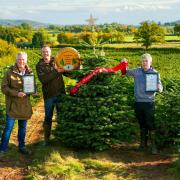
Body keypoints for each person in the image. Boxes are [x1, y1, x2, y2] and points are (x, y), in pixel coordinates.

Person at [122, 53, 163, 154]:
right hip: (138, 102)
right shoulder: (136, 71)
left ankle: (153, 146)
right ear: (141, 62)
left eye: (146, 61)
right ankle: (143, 144)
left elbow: (160, 87)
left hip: (149, 103)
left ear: (150, 62)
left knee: (150, 123)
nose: (144, 63)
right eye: (143, 61)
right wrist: (123, 64)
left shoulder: (154, 73)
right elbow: (125, 72)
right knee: (141, 123)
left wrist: (159, 88)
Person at [0, 52, 33, 155]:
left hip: (24, 105)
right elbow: (4, 88)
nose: (21, 61)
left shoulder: (29, 72)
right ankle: (2, 149)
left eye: (23, 59)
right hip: (13, 105)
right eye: (19, 59)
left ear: (26, 60)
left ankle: (22, 146)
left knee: (22, 127)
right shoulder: (9, 72)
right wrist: (16, 93)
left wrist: (33, 91)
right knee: (8, 128)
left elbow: (31, 87)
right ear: (16, 60)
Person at [36, 45, 66, 146]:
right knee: (48, 117)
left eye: (47, 51)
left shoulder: (57, 61)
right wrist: (57, 71)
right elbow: (44, 79)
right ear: (41, 53)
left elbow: (66, 72)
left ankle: (61, 137)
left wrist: (73, 67)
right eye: (44, 52)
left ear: (50, 52)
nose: (46, 53)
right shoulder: (39, 65)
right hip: (49, 96)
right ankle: (46, 140)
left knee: (62, 116)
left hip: (61, 94)